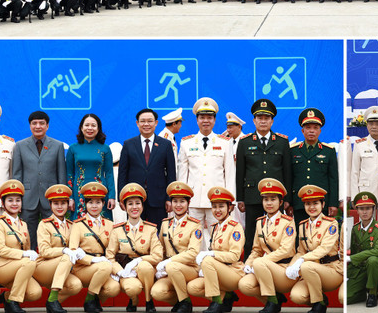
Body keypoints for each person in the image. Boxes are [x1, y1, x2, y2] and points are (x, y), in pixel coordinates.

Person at [235, 99, 292, 261]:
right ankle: (248, 265)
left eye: (266, 118)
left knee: (276, 232)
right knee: (252, 232)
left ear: (272, 121)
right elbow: (240, 173)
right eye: (259, 118)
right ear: (254, 120)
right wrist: (240, 198)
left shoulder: (282, 142)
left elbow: (287, 172)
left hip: (276, 198)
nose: (263, 121)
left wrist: (286, 199)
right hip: (253, 196)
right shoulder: (245, 143)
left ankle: (279, 263)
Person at [236, 178, 296, 313]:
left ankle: (273, 304)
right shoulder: (260, 222)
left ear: (280, 202)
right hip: (264, 267)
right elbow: (256, 249)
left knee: (258, 263)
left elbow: (285, 250)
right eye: (265, 199)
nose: (269, 203)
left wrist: (261, 262)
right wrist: (248, 264)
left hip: (283, 269)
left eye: (273, 199)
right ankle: (275, 298)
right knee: (245, 285)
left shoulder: (288, 222)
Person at [11, 110, 67, 250]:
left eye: (41, 123)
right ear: (30, 126)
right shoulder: (20, 146)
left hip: (51, 198)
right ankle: (30, 261)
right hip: (28, 198)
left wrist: (62, 197)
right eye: (34, 123)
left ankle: (52, 259)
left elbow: (61, 173)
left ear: (47, 126)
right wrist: (17, 199)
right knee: (27, 233)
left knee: (53, 232)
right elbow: (17, 175)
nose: (38, 126)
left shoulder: (57, 145)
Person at [176, 97, 235, 226]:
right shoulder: (186, 143)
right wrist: (181, 199)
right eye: (202, 117)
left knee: (218, 238)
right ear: (197, 120)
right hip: (193, 200)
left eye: (209, 117)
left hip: (218, 200)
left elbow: (230, 174)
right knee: (192, 237)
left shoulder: (224, 142)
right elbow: (182, 175)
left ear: (214, 120)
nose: (206, 121)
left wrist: (231, 200)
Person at [186, 186, 245, 313]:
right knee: (193, 287)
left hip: (233, 272)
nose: (217, 210)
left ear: (230, 208)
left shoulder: (236, 227)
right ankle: (228, 296)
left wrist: (212, 254)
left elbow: (234, 256)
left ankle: (217, 302)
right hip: (218, 271)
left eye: (221, 206)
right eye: (214, 206)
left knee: (207, 260)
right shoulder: (214, 227)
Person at [0, 180, 43, 313]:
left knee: (35, 293)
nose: (14, 204)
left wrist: (28, 255)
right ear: (3, 203)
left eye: (18, 200)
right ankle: (14, 301)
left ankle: (7, 297)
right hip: (0, 266)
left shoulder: (23, 224)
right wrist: (24, 255)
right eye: (10, 200)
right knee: (28, 263)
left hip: (19, 266)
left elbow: (27, 247)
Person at [106, 183, 163, 313]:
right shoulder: (117, 230)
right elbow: (110, 256)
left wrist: (139, 260)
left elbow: (158, 255)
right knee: (133, 288)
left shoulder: (151, 229)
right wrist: (120, 271)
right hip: (126, 270)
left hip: (146, 270)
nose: (134, 207)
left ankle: (149, 301)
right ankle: (133, 300)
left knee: (145, 266)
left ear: (142, 206)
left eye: (137, 203)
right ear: (125, 207)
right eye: (130, 204)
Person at [68, 182, 122, 313]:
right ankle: (89, 300)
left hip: (104, 266)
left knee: (114, 288)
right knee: (105, 266)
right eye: (90, 202)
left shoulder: (110, 224)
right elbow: (73, 251)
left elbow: (114, 249)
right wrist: (92, 260)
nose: (94, 206)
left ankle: (94, 296)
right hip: (83, 267)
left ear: (103, 204)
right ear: (85, 204)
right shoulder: (78, 225)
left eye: (98, 202)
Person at [150, 182, 203, 313]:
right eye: (175, 201)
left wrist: (169, 262)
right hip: (169, 270)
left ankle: (185, 302)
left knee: (172, 266)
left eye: (182, 201)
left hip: (189, 268)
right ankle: (180, 300)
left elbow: (193, 253)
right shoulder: (165, 224)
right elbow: (161, 249)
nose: (178, 205)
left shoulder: (195, 225)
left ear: (188, 203)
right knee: (157, 293)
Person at [118, 108, 177, 226]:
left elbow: (171, 174)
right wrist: (121, 196)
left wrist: (169, 198)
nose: (146, 124)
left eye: (150, 121)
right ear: (137, 123)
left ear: (156, 123)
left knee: (158, 233)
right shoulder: (128, 144)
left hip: (158, 199)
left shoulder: (165, 144)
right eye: (142, 121)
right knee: (134, 232)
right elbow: (122, 173)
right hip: (133, 198)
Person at [288, 185, 341, 313]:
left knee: (306, 266)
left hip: (330, 269)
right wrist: (292, 266)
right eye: (307, 203)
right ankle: (321, 297)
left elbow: (324, 248)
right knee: (296, 296)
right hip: (311, 271)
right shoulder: (302, 225)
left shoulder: (331, 223)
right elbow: (301, 251)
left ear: (323, 204)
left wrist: (302, 260)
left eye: (315, 203)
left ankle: (319, 304)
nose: (311, 207)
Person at [33, 184, 83, 313]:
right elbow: (44, 251)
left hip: (63, 269)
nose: (60, 207)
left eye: (63, 203)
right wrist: (63, 251)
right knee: (67, 256)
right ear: (50, 205)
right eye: (56, 203)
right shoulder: (44, 224)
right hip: (44, 267)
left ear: (68, 205)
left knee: (76, 286)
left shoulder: (73, 226)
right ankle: (54, 298)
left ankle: (52, 302)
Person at [290, 108, 339, 224]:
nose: (311, 131)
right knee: (301, 236)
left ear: (320, 131)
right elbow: (290, 178)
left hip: (321, 203)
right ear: (302, 131)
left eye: (315, 128)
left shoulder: (329, 151)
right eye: (308, 128)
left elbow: (333, 179)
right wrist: (290, 203)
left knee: (321, 235)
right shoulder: (293, 150)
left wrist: (333, 203)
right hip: (299, 202)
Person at [350, 106, 378, 226]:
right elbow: (355, 172)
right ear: (367, 125)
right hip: (366, 191)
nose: (374, 126)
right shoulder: (359, 145)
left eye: (377, 123)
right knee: (365, 223)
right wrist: (355, 196)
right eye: (371, 123)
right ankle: (365, 245)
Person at [66, 114, 116, 218]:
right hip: (78, 193)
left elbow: (109, 174)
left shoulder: (105, 148)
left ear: (98, 128)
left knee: (102, 225)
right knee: (79, 225)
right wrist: (70, 197)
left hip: (101, 191)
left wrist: (112, 196)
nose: (90, 128)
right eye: (86, 125)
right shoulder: (73, 148)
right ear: (81, 127)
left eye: (93, 125)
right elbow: (69, 174)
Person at [345, 192, 378, 307]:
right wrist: (348, 274)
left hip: (375, 269)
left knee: (372, 259)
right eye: (361, 208)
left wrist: (351, 258)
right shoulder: (355, 229)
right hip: (360, 269)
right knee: (345, 298)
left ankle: (372, 294)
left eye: (368, 208)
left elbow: (377, 252)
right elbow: (355, 250)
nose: (364, 212)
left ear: (373, 209)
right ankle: (361, 293)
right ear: (357, 210)